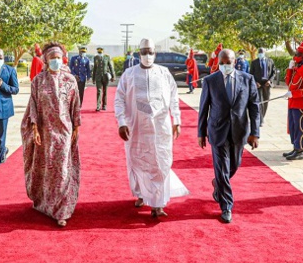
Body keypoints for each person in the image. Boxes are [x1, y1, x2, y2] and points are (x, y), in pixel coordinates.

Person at [115, 38, 189, 218]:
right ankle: (141, 193)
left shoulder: (164, 73)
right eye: (144, 52)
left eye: (150, 52)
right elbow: (119, 100)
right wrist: (122, 123)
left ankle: (158, 204)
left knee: (161, 162)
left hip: (160, 128)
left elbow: (173, 97)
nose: (147, 55)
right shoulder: (129, 74)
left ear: (155, 53)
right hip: (137, 127)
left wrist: (176, 120)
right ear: (139, 53)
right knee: (138, 162)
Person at [21, 42, 82, 227]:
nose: (55, 61)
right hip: (46, 132)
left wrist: (77, 127)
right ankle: (45, 203)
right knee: (48, 169)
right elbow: (33, 107)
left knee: (62, 168)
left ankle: (62, 210)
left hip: (64, 131)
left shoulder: (70, 80)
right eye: (51, 58)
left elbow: (75, 106)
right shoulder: (38, 81)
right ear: (46, 60)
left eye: (58, 57)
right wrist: (35, 129)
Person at [198, 49, 260, 223]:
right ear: (218, 62)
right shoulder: (210, 81)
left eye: (229, 62)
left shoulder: (247, 80)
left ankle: (218, 184)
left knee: (234, 166)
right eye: (223, 63)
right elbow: (204, 108)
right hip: (217, 131)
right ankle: (226, 206)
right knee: (222, 169)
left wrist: (255, 133)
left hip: (239, 131)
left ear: (235, 62)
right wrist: (201, 133)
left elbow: (254, 108)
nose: (226, 65)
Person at [249, 48, 276, 126]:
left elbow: (273, 73)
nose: (260, 54)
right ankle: (260, 120)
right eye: (259, 53)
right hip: (258, 85)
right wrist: (255, 82)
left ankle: (262, 117)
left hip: (267, 84)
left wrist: (270, 81)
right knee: (260, 102)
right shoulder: (254, 62)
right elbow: (251, 74)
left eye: (262, 52)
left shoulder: (270, 61)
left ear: (264, 53)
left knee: (266, 101)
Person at [92, 46, 115, 111]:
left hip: (105, 77)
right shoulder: (95, 58)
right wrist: (93, 78)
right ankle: (98, 106)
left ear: (103, 51)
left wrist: (113, 76)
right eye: (98, 52)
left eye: (100, 52)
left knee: (105, 91)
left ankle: (104, 105)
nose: (99, 53)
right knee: (99, 91)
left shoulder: (107, 57)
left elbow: (110, 67)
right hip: (98, 77)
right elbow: (95, 68)